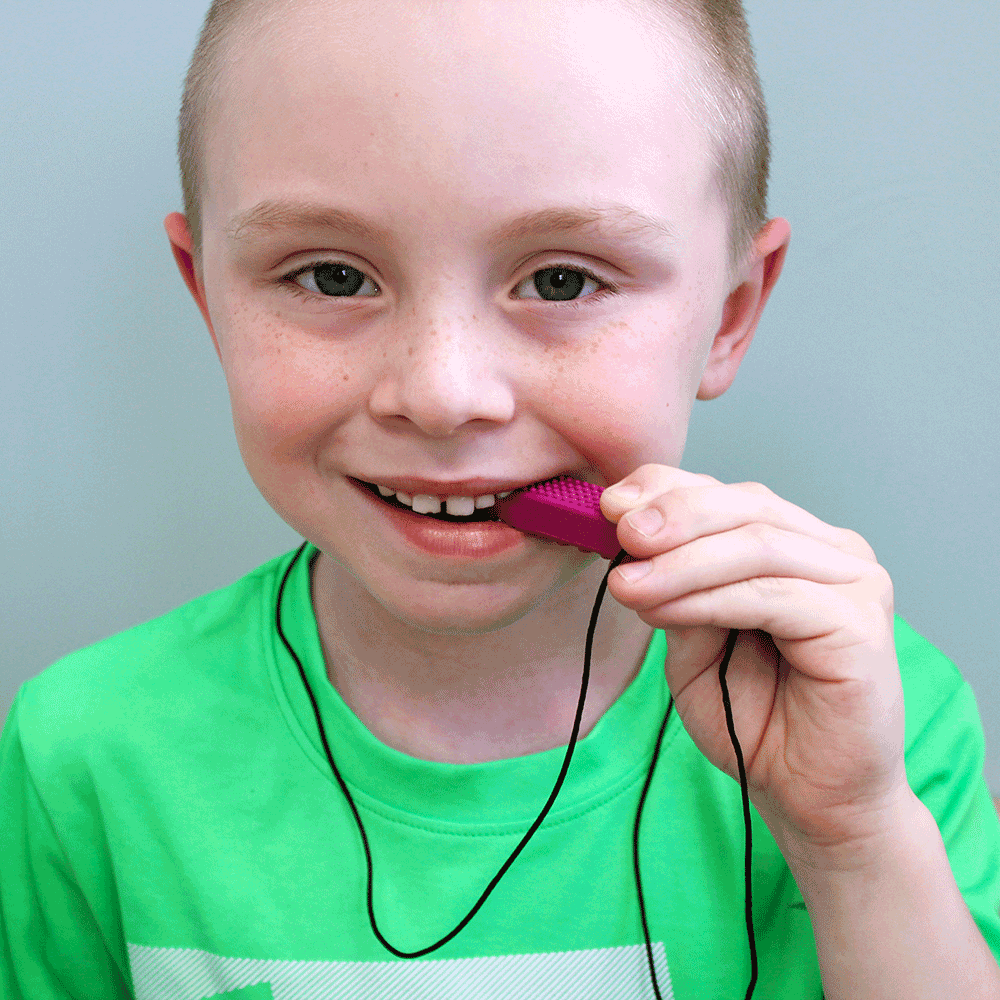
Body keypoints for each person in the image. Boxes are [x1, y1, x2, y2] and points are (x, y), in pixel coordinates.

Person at [2, 0, 999, 997]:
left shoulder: (873, 729)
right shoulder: (81, 756)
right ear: (207, 296)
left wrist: (856, 842)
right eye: (333, 274)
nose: (441, 395)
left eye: (562, 281)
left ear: (730, 314)